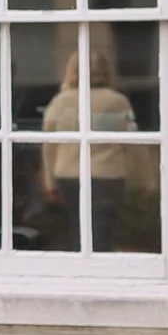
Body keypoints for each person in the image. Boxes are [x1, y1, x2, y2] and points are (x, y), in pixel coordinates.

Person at [41, 50, 139, 252]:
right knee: (103, 231)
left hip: (68, 175)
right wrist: (146, 180)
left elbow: (49, 145)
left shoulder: (60, 102)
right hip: (107, 174)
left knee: (78, 231)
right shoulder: (117, 101)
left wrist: (49, 181)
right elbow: (131, 142)